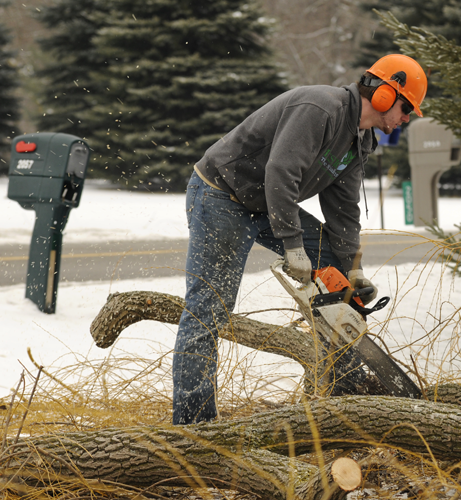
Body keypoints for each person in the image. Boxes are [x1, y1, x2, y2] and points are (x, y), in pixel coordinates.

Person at [173, 54, 428, 424]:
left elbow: (344, 207)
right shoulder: (321, 109)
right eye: (406, 109)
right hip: (221, 195)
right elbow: (281, 171)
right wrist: (292, 243)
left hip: (267, 202)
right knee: (208, 309)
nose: (405, 118)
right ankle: (193, 426)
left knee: (336, 276)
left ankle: (344, 390)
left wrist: (350, 268)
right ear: (386, 95)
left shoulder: (361, 139)